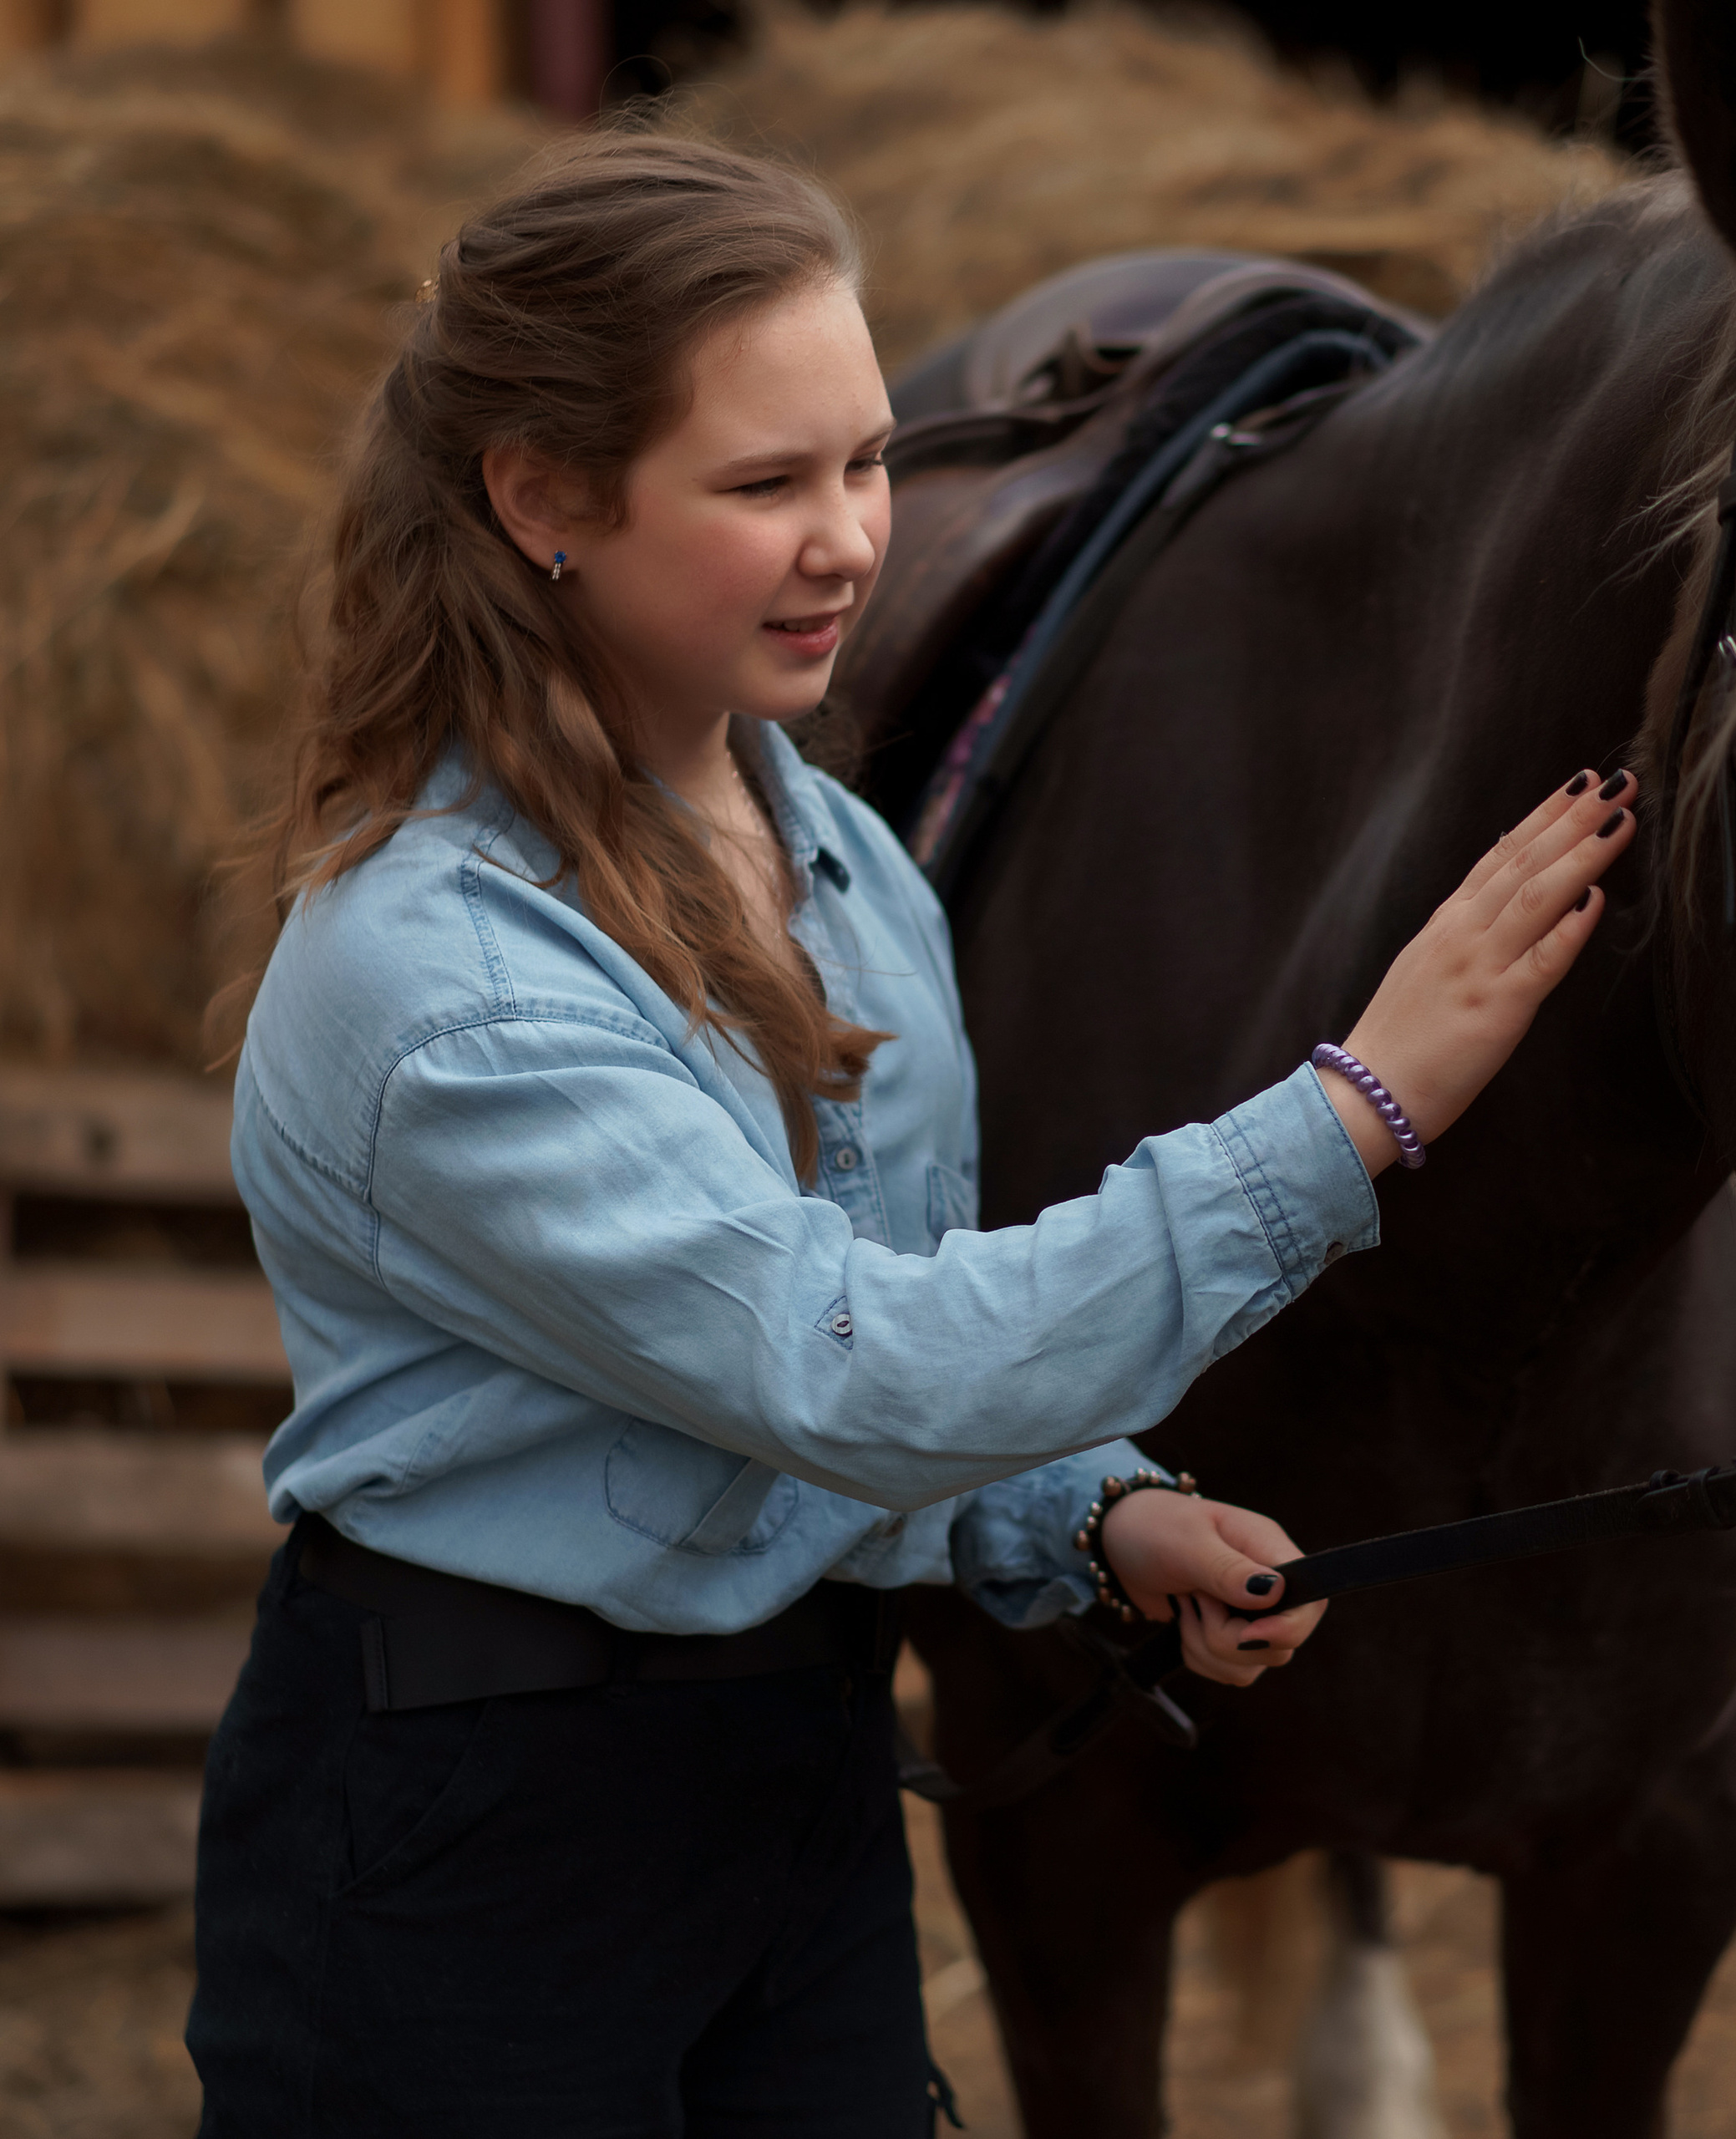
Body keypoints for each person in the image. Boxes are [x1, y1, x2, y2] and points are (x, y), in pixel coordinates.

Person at [185, 131, 1638, 2138]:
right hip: (478, 1825)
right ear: (540, 497)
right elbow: (843, 1367)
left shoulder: (845, 861)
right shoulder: (441, 975)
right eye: (765, 483)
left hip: (795, 1781)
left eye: (865, 462)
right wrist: (1352, 1111)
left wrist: (1086, 1513)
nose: (851, 539)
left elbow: (884, 1322)